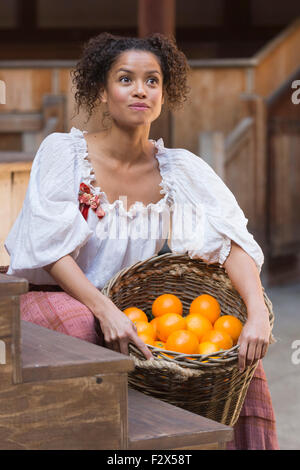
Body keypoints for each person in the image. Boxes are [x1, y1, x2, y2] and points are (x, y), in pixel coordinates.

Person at [4, 32, 279, 450]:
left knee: (240, 356)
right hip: (54, 294)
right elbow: (49, 248)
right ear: (101, 90)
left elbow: (231, 241)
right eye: (125, 79)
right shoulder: (64, 154)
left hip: (130, 308)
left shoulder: (180, 169)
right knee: (87, 330)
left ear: (164, 94)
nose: (140, 90)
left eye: (152, 80)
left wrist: (258, 314)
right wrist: (105, 311)